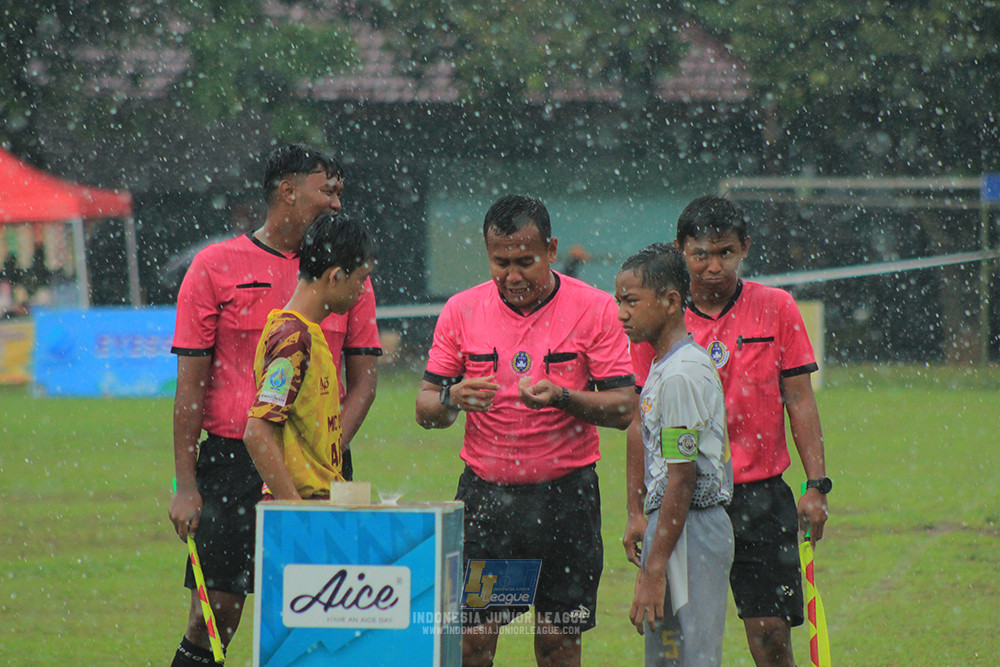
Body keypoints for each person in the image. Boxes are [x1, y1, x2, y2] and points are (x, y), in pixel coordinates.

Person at [167, 144, 381, 666]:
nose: (336, 204)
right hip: (233, 461)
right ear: (287, 191)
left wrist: (324, 452)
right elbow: (190, 387)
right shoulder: (213, 267)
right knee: (214, 614)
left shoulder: (347, 272)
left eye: (340, 193)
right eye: (325, 190)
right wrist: (187, 484)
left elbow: (365, 383)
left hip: (320, 468)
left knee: (324, 616)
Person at [415, 194, 635, 667]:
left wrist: (563, 397)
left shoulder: (594, 309)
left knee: (558, 644)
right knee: (472, 643)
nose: (512, 276)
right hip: (487, 503)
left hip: (566, 503)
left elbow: (623, 407)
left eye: (525, 262)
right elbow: (426, 407)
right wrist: (453, 398)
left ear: (552, 250)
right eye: (501, 263)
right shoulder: (461, 310)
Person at [624, 196, 829, 667]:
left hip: (759, 496)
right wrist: (635, 509)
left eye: (726, 252)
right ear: (680, 250)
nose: (714, 266)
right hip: (685, 499)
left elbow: (799, 399)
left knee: (771, 635)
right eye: (701, 254)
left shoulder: (776, 307)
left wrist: (816, 485)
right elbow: (638, 418)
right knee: (677, 639)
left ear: (745, 249)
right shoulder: (660, 314)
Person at [616, 244, 733, 667]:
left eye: (631, 302)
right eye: (618, 302)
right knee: (667, 657)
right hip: (673, 525)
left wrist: (654, 568)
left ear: (670, 302)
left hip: (691, 529)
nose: (621, 314)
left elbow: (684, 478)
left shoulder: (682, 374)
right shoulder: (664, 366)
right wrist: (639, 514)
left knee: (692, 657)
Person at [244, 213, 375, 500]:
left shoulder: (309, 333)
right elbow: (257, 432)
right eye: (361, 279)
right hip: (304, 510)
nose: (363, 290)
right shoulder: (293, 338)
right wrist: (296, 511)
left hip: (321, 503)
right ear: (336, 276)